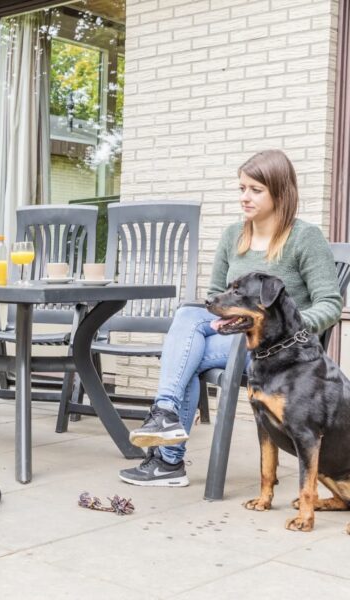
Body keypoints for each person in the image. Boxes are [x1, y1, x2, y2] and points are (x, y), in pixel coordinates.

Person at [119, 149, 342, 487]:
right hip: (235, 337)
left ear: (280, 192)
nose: (244, 197)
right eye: (241, 188)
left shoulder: (304, 238)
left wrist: (289, 330)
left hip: (278, 352)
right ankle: (166, 431)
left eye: (255, 189)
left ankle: (168, 456)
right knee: (189, 321)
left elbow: (330, 303)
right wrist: (220, 323)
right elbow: (214, 299)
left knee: (184, 352)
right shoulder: (232, 236)